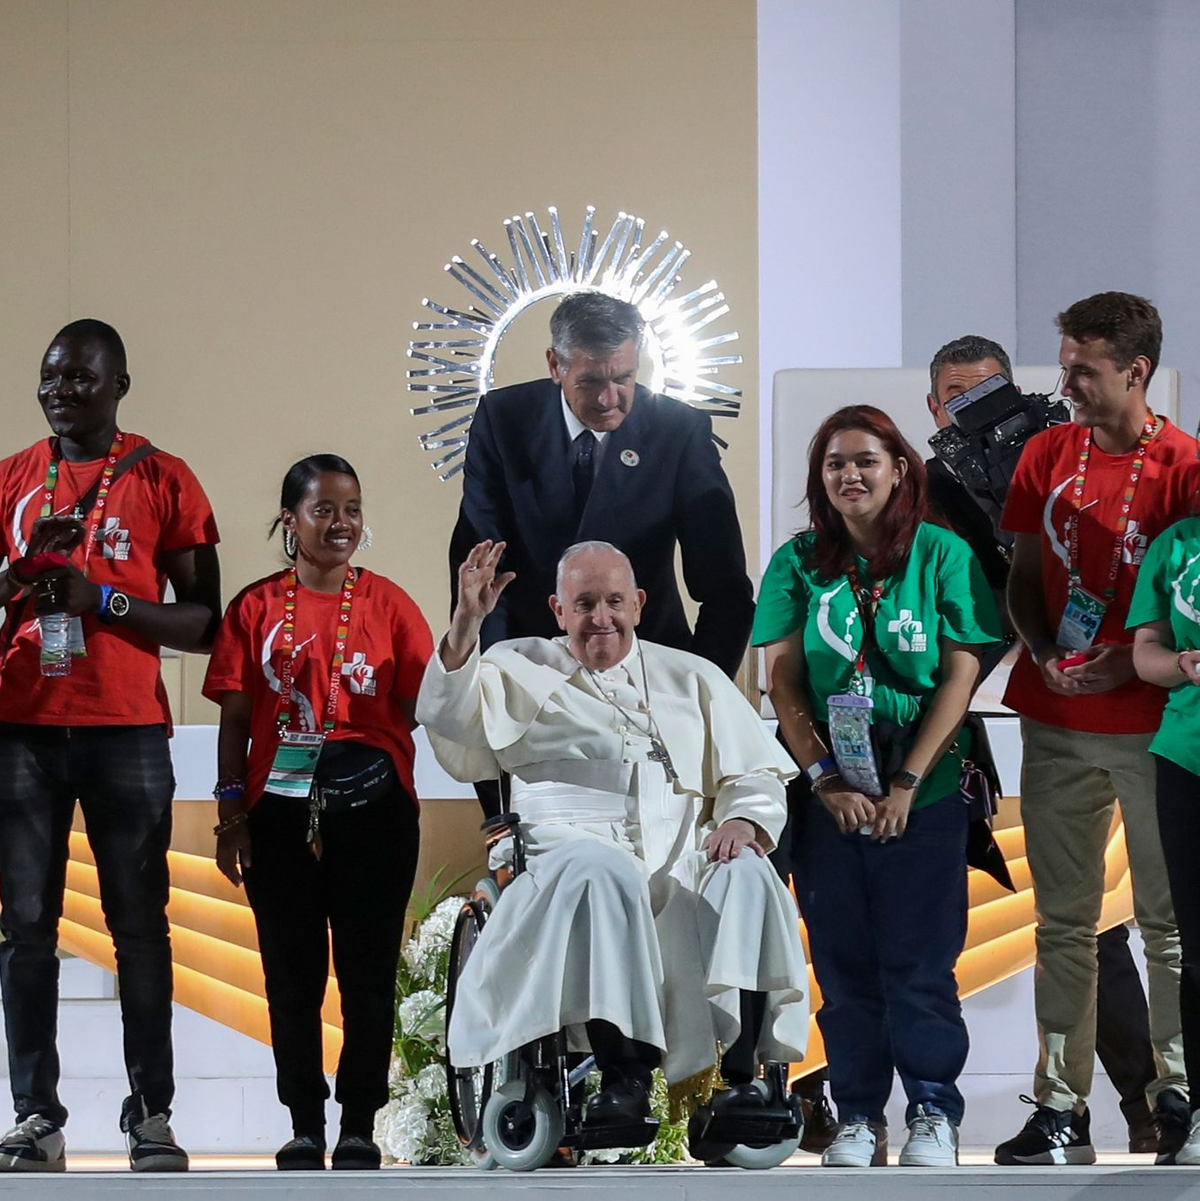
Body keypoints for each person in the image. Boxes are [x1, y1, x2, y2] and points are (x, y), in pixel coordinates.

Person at [417, 539, 807, 1129]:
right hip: (562, 848)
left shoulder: (691, 675)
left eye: (615, 602)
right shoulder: (514, 663)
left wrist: (741, 818)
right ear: (558, 610)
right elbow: (449, 714)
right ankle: (625, 1079)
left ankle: (742, 1083)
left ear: (640, 604)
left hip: (680, 848)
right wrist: (467, 622)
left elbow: (753, 770)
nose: (602, 618)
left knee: (749, 873)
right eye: (585, 603)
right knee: (605, 873)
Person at [927, 333, 1159, 1153]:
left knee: (1108, 926)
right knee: (1038, 926)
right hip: (980, 728)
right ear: (933, 409)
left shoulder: (1078, 456)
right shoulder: (923, 489)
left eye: (990, 394)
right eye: (957, 399)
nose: (976, 415)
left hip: (1104, 709)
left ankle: (1152, 1102)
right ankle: (889, 1100)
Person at [0, 319, 221, 1173]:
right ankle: (35, 1115)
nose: (61, 389)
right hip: (20, 726)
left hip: (125, 727)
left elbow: (204, 621)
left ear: (120, 384)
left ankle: (151, 1116)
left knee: (139, 930)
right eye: (51, 375)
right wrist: (24, 576)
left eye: (82, 377)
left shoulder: (165, 478)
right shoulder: (16, 478)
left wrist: (103, 601)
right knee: (25, 931)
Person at [755, 404, 1002, 1169]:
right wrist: (826, 779)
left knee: (921, 965)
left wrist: (904, 781)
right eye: (834, 464)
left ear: (900, 468)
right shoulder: (798, 561)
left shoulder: (942, 554)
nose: (849, 475)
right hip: (830, 793)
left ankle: (933, 1108)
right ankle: (859, 1113)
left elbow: (961, 673)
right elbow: (783, 677)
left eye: (866, 460)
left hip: (923, 792)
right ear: (818, 478)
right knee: (843, 966)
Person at [993, 292, 1196, 1166]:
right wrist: (1040, 648)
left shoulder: (1187, 465)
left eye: (1083, 368)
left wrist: (1131, 659)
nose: (1066, 383)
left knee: (1170, 923)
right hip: (1057, 719)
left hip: (1154, 724)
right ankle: (1060, 1103)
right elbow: (1025, 571)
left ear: (1135, 371)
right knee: (1063, 923)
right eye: (1064, 363)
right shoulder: (1046, 451)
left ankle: (1179, 1093)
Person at [202, 455, 432, 1171]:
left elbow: (427, 701)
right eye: (324, 509)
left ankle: (359, 1122)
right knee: (290, 976)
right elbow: (237, 716)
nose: (342, 523)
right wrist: (231, 812)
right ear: (289, 519)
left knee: (367, 976)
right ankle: (303, 1122)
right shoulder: (254, 606)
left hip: (374, 813)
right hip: (277, 814)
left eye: (353, 508)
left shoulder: (390, 604)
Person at [450, 291, 754, 815]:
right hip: (533, 682)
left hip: (648, 681)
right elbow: (486, 574)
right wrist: (500, 692)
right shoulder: (504, 420)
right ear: (555, 365)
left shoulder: (678, 431)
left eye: (625, 378)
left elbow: (725, 588)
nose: (611, 397)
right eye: (591, 381)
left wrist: (694, 695)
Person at [1128, 499, 1200, 1164]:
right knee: (1195, 943)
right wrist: (1183, 665)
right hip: (1187, 753)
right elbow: (1145, 649)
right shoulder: (1175, 544)